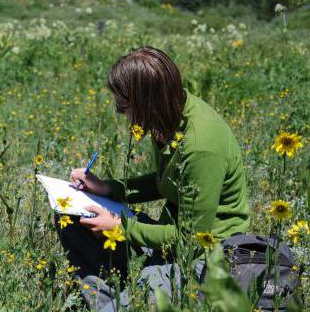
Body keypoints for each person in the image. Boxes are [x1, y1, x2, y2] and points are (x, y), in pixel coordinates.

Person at [55, 46, 251, 311]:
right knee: (72, 217)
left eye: (123, 106)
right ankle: (106, 302)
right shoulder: (171, 119)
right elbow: (166, 182)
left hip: (206, 250)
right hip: (171, 232)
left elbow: (190, 237)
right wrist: (109, 188)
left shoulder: (200, 146)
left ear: (148, 102)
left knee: (147, 299)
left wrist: (120, 226)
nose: (119, 113)